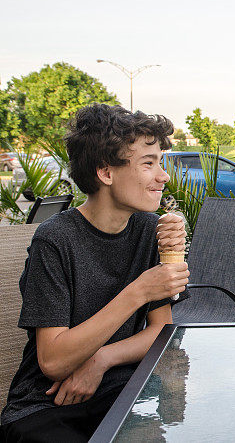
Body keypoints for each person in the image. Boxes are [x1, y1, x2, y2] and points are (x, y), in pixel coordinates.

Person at [1, 104, 189, 442]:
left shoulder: (150, 231)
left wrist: (101, 360)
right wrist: (139, 292)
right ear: (106, 173)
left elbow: (162, 332)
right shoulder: (55, 240)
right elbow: (54, 362)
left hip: (122, 395)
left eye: (160, 163)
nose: (163, 176)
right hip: (47, 405)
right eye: (148, 164)